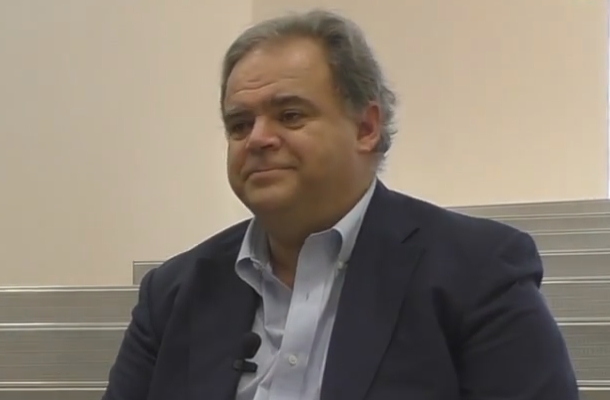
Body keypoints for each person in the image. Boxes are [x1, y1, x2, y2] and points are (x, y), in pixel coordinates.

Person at [102, 9, 579, 400]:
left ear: (366, 128)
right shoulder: (173, 293)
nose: (258, 139)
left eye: (290, 115)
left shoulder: (477, 272)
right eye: (240, 125)